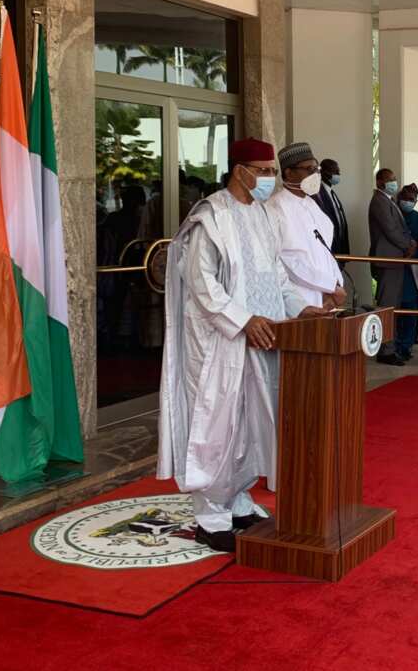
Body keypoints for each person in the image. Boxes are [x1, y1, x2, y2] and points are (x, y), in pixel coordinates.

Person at [158, 138, 326, 552]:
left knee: (255, 422)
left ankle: (238, 499)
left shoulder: (263, 216)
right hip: (223, 343)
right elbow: (202, 284)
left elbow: (278, 278)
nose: (270, 178)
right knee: (219, 423)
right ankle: (210, 516)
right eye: (265, 170)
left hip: (265, 339)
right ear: (241, 171)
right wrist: (243, 320)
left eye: (272, 171)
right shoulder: (210, 217)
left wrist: (301, 309)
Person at [268, 142, 346, 311]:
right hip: (301, 300)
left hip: (328, 297)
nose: (315, 175)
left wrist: (337, 283)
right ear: (289, 172)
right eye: (309, 170)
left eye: (317, 170)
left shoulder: (311, 204)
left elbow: (326, 251)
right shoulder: (276, 207)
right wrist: (330, 285)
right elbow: (287, 261)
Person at [368, 167, 415, 366]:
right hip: (388, 259)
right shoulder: (379, 201)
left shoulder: (389, 200)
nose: (394, 182)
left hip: (395, 259)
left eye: (394, 178)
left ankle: (390, 347)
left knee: (392, 305)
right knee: (386, 305)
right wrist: (408, 244)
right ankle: (385, 350)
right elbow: (391, 229)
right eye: (390, 179)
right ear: (380, 182)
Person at [395, 184, 418, 361]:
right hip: (395, 270)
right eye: (405, 198)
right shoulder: (392, 216)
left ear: (416, 202)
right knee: (395, 311)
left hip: (413, 272)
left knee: (411, 311)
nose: (408, 202)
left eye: (412, 200)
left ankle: (406, 346)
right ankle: (394, 345)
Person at [315, 159, 353, 307]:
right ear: (323, 172)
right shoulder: (318, 193)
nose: (338, 175)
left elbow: (340, 221)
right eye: (334, 172)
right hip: (330, 251)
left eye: (338, 171)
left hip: (338, 253)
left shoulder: (331, 193)